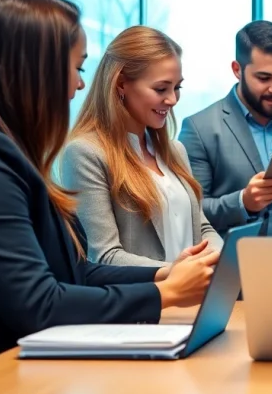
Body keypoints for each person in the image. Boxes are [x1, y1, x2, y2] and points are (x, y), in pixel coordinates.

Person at [0, 0, 217, 382]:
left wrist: (163, 275)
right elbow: (38, 304)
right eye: (76, 67)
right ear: (31, 69)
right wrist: (163, 294)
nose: (80, 84)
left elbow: (74, 272)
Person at [61, 26, 223, 266]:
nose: (172, 99)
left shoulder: (176, 151)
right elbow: (104, 255)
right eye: (161, 89)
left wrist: (221, 256)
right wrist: (180, 273)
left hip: (197, 296)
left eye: (177, 87)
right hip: (145, 299)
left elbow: (202, 226)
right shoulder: (85, 153)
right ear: (121, 84)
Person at [179, 21, 272, 237]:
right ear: (237, 70)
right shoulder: (199, 129)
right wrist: (243, 202)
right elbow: (190, 212)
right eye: (264, 78)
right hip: (235, 266)